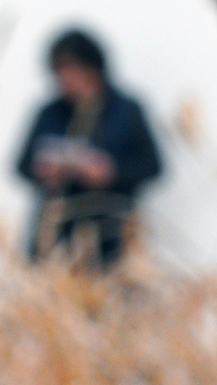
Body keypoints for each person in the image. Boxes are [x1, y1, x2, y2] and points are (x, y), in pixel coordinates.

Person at [15, 28, 162, 268]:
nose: (67, 80)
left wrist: (110, 172)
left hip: (113, 240)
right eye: (60, 72)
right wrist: (45, 171)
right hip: (56, 241)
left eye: (74, 71)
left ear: (94, 67)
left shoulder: (127, 110)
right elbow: (21, 166)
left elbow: (152, 166)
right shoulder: (49, 112)